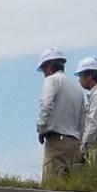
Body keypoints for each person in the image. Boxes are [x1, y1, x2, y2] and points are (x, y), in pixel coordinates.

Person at [35, 48, 85, 184]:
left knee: (51, 185)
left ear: (49, 65)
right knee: (70, 186)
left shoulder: (51, 80)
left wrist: (41, 128)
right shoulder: (77, 89)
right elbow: (82, 121)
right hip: (74, 143)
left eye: (44, 67)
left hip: (57, 141)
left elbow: (46, 105)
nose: (44, 72)